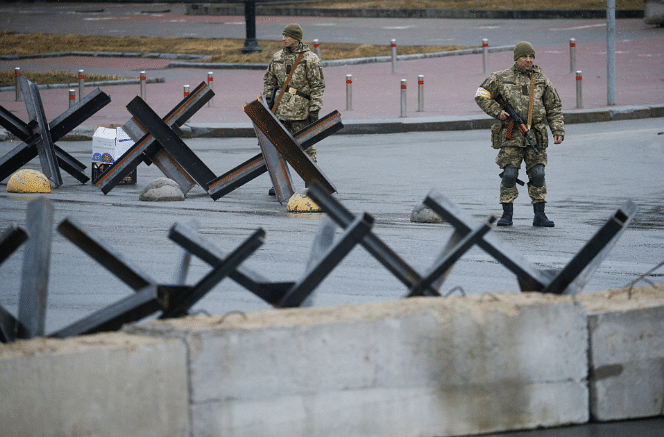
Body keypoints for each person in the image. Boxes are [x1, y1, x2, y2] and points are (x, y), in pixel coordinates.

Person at [475, 41, 565, 227]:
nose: (528, 60)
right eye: (525, 56)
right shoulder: (501, 77)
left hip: (535, 134)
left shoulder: (541, 80)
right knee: (509, 174)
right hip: (511, 135)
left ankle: (540, 215)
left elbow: (554, 107)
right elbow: (481, 94)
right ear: (516, 58)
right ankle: (507, 214)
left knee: (538, 173)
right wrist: (497, 112)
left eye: (531, 57)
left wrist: (557, 130)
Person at [263, 23, 325, 195]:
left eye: (287, 36)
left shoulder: (309, 59)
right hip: (280, 110)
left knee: (307, 148)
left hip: (301, 111)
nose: (284, 39)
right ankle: (280, 183)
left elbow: (318, 86)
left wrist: (314, 109)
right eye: (283, 35)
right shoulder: (277, 57)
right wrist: (268, 102)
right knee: (278, 148)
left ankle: (312, 183)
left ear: (296, 39)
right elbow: (269, 81)